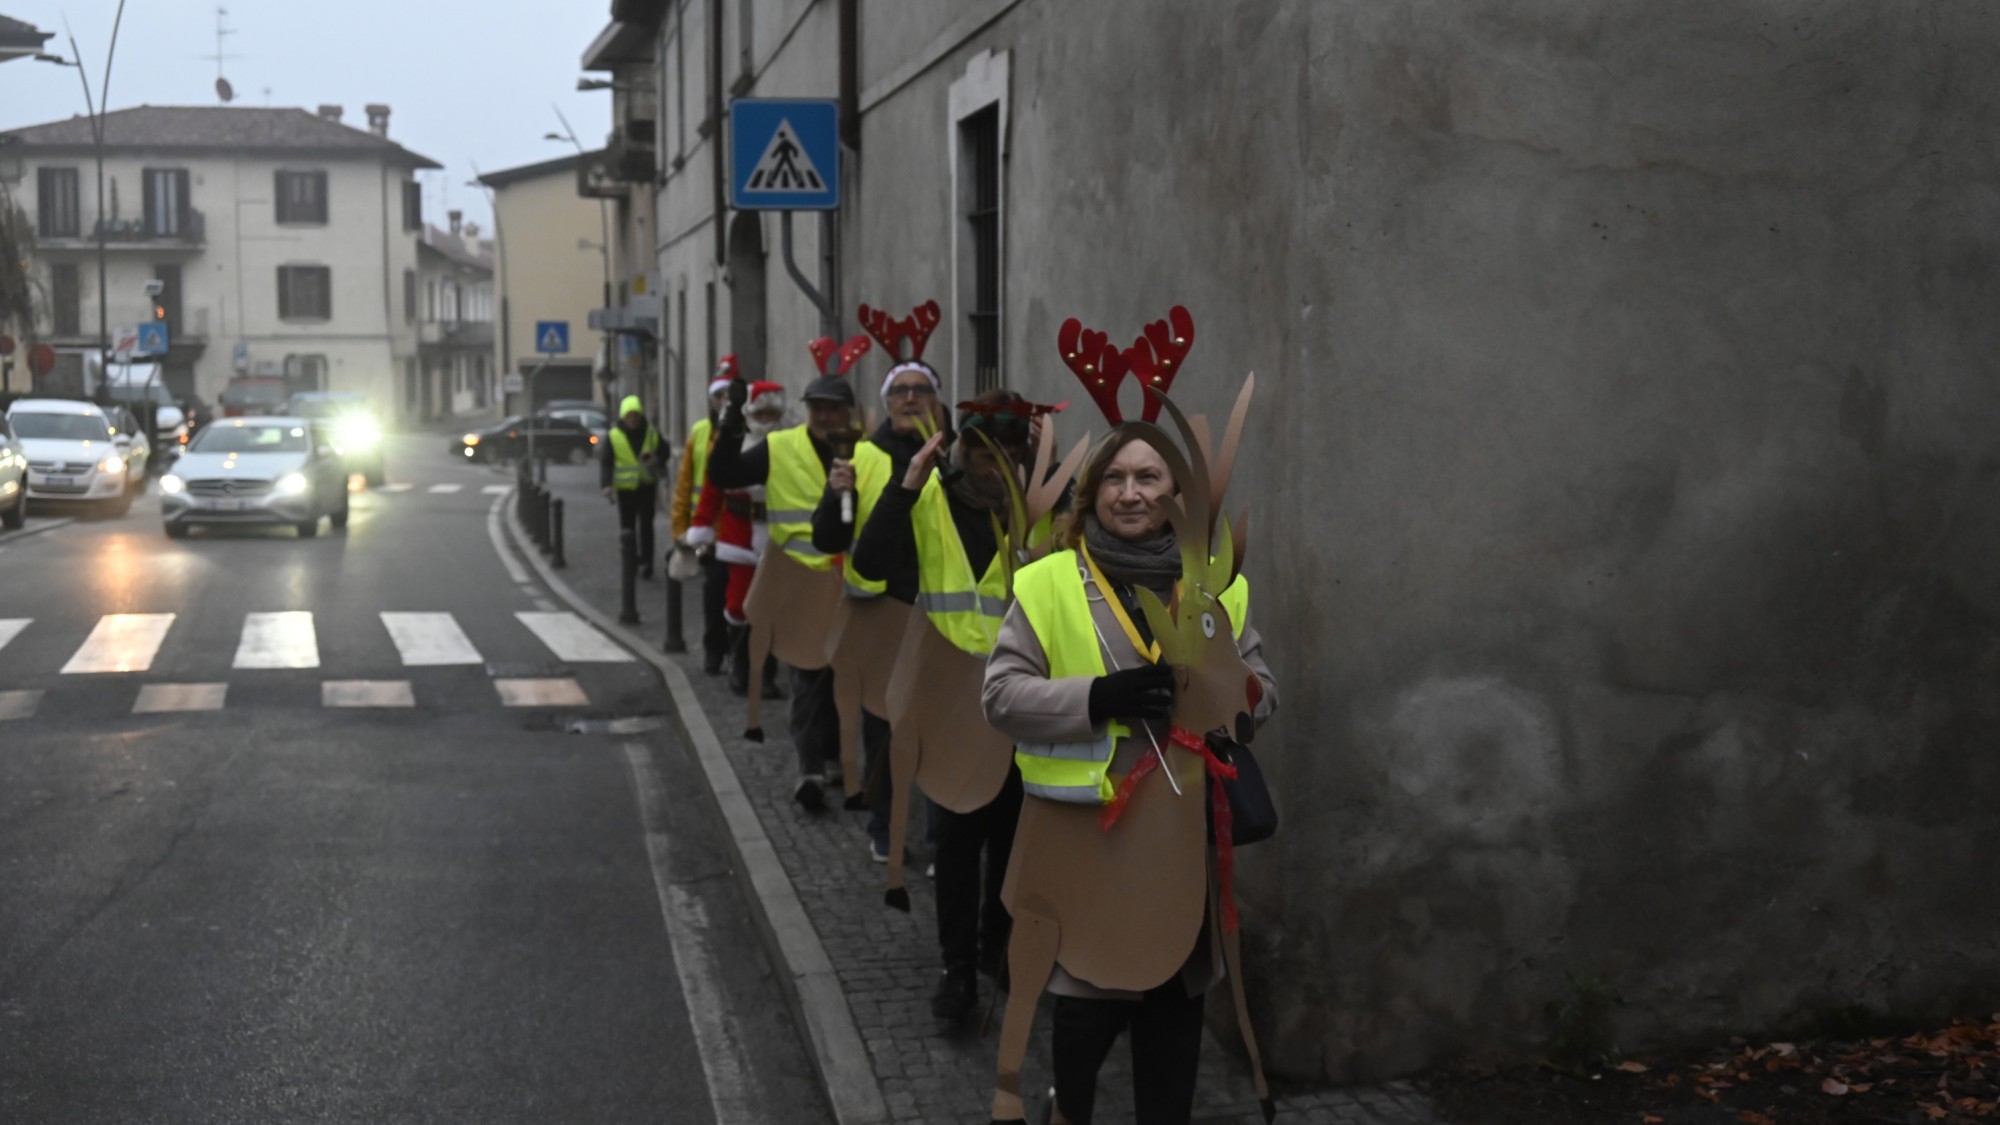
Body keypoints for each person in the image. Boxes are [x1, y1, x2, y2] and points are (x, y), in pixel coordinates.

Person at [981, 426, 1279, 1125]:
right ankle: (1067, 1106)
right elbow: (1000, 695)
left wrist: (1219, 698)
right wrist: (1096, 698)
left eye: (1148, 478)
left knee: (1173, 1019)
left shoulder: (1216, 586)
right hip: (1088, 840)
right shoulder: (1048, 582)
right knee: (1086, 1015)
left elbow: (1263, 689)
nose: (1130, 493)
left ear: (1176, 494)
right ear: (1091, 495)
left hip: (1180, 850)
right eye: (1114, 478)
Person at [851, 388, 1036, 1024]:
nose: (1000, 469)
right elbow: (869, 564)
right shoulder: (928, 498)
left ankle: (994, 947)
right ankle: (957, 970)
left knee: (1013, 836)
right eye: (987, 456)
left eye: (1013, 455)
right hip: (951, 697)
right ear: (963, 450)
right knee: (958, 839)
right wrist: (904, 487)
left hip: (1022, 699)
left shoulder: (1038, 507)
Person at [707, 356, 889, 811]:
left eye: (833, 408)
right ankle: (810, 772)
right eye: (816, 407)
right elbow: (725, 476)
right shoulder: (779, 447)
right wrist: (731, 422)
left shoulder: (871, 455)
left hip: (854, 585)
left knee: (846, 681)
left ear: (849, 411)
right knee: (807, 677)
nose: (824, 416)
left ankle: (837, 761)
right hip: (800, 580)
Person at [813, 357, 947, 862]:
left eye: (921, 389)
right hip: (879, 610)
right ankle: (886, 827)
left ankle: (941, 842)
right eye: (900, 391)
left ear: (937, 401)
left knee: (939, 725)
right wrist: (836, 496)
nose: (910, 398)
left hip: (944, 615)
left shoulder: (954, 456)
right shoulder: (861, 457)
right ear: (887, 403)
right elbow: (828, 537)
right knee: (884, 726)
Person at [684, 380, 787, 695]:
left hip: (777, 536)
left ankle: (765, 672)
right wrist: (701, 526)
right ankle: (739, 664)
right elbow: (713, 488)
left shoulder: (788, 446)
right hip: (738, 536)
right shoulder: (732, 443)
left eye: (772, 414)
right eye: (761, 413)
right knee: (739, 604)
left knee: (770, 607)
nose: (766, 419)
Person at [673, 358, 737, 674]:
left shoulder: (747, 431)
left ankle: (741, 655)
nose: (723, 401)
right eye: (718, 396)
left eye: (728, 395)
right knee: (714, 593)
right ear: (711, 400)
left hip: (740, 530)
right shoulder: (699, 433)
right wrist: (680, 529)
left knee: (742, 598)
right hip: (709, 532)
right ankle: (715, 650)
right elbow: (685, 484)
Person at [601, 394, 666, 580]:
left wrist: (657, 460)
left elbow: (665, 451)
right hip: (626, 489)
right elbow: (607, 462)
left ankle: (647, 562)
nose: (632, 419)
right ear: (623, 417)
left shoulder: (651, 432)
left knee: (647, 526)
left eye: (635, 415)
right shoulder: (614, 435)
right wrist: (607, 484)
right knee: (627, 528)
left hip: (647, 486)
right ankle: (631, 561)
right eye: (629, 416)